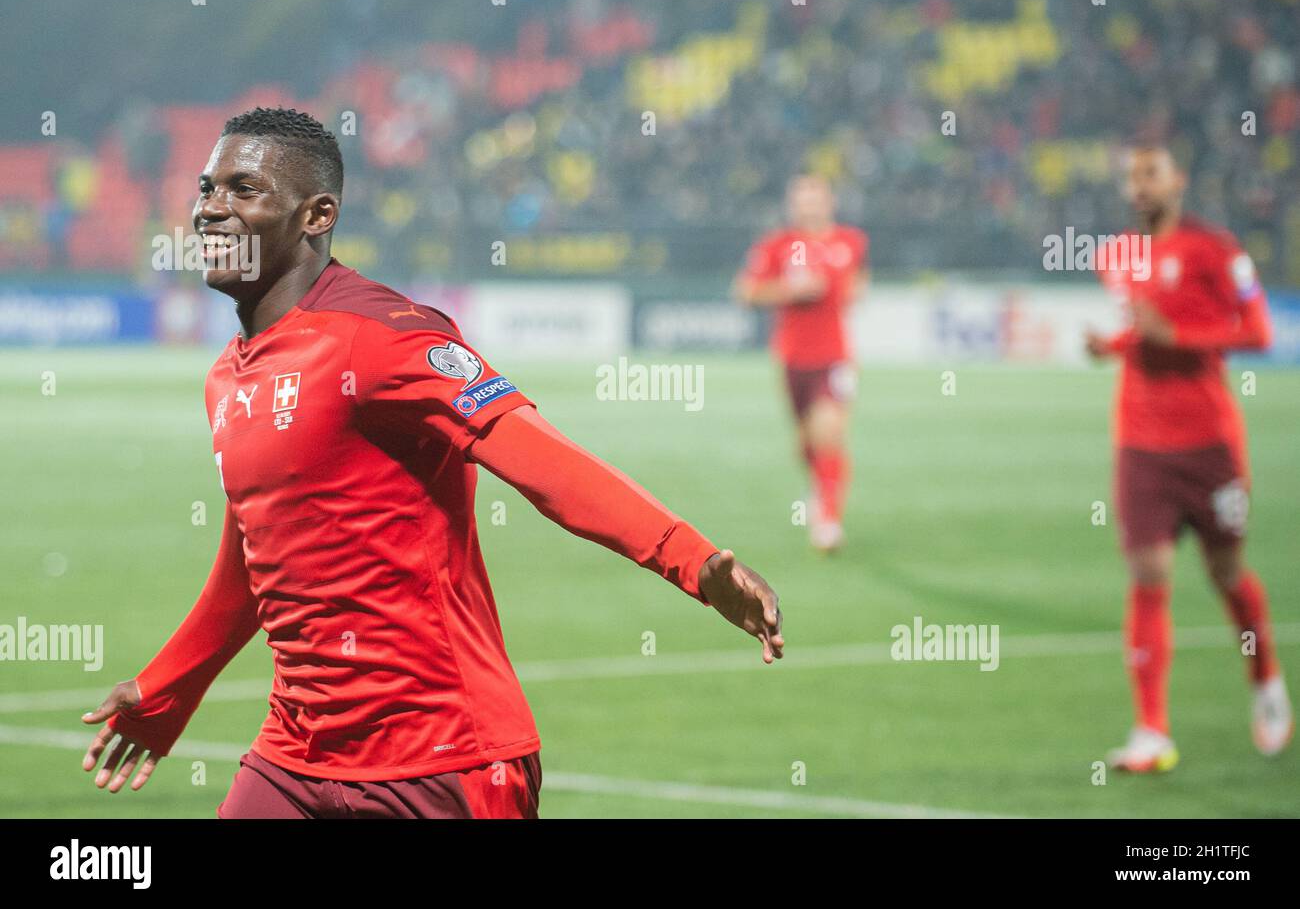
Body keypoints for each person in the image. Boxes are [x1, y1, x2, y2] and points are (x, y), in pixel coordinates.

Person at [80, 107, 784, 818]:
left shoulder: (383, 338)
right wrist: (169, 688)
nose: (210, 210)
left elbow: (540, 458)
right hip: (293, 758)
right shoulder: (227, 378)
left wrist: (689, 559)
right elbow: (253, 561)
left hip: (444, 759)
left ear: (317, 214)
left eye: (242, 189)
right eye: (206, 189)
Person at [1086, 144, 1291, 772]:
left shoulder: (1218, 251)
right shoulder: (1116, 255)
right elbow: (1139, 331)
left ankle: (1266, 680)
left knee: (1227, 572)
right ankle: (1152, 730)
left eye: (1151, 174)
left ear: (1179, 180)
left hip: (1209, 445)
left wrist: (1177, 337)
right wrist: (1113, 344)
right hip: (1140, 445)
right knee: (1148, 578)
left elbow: (1259, 333)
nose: (1140, 186)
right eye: (1131, 177)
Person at [733, 175, 868, 552]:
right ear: (792, 205)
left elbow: (859, 282)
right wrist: (792, 290)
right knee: (807, 442)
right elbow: (744, 292)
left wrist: (851, 292)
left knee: (830, 432)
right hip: (792, 359)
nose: (808, 207)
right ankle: (818, 486)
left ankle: (828, 520)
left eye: (815, 199)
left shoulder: (850, 242)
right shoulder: (776, 246)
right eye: (801, 200)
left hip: (836, 357)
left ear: (829, 202)